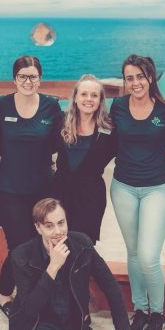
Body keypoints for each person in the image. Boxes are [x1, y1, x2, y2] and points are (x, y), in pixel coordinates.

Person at [8, 198, 134, 330]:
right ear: (38, 228)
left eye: (61, 223)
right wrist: (53, 267)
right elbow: (30, 311)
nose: (58, 231)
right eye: (49, 226)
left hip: (72, 327)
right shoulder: (22, 255)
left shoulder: (82, 244)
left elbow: (110, 285)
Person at [109, 54, 165, 330]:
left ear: (150, 77)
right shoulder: (117, 107)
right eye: (129, 77)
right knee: (134, 252)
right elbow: (107, 142)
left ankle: (157, 313)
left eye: (140, 76)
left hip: (157, 188)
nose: (135, 82)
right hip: (122, 186)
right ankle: (140, 309)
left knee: (149, 256)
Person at [0, 56, 62, 318]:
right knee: (20, 246)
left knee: (41, 244)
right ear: (14, 79)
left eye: (33, 76)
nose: (28, 81)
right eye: (22, 76)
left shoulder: (52, 107)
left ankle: (33, 295)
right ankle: (6, 293)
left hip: (42, 191)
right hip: (9, 191)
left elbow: (60, 145)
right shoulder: (1, 106)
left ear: (40, 79)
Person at [52, 75, 117, 243]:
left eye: (94, 95)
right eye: (84, 94)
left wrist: (161, 154)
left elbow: (129, 149)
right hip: (60, 194)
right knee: (59, 246)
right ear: (75, 97)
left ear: (100, 100)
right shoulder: (60, 122)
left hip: (91, 197)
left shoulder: (109, 128)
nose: (89, 99)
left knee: (83, 248)